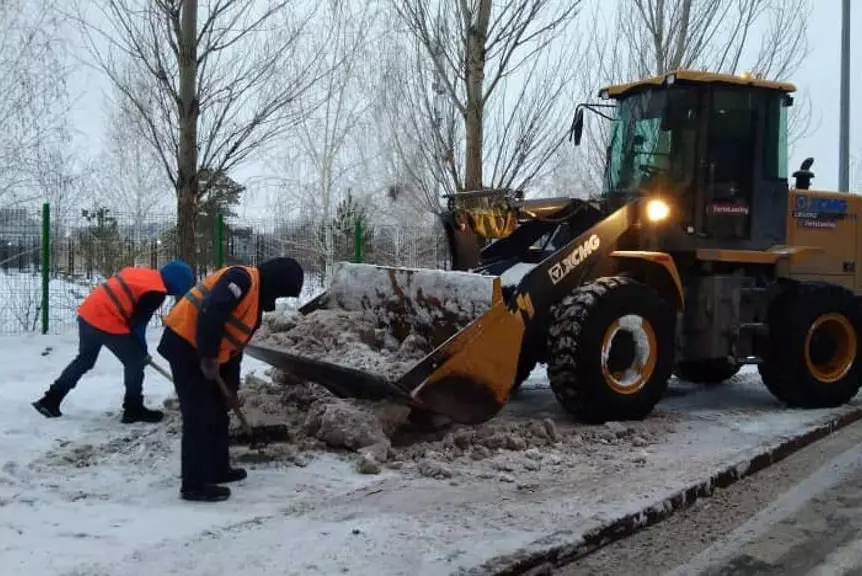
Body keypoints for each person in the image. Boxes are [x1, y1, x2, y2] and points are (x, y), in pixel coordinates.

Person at [157, 257, 304, 503]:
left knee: (218, 410)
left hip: (207, 351)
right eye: (279, 295)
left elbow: (234, 348)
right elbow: (209, 311)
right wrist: (208, 356)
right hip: (185, 345)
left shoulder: (254, 302)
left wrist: (231, 389)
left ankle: (217, 468)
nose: (275, 301)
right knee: (198, 414)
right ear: (275, 284)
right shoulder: (240, 279)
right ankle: (194, 484)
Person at [32, 260, 194, 423]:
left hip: (88, 314)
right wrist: (141, 352)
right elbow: (138, 325)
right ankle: (133, 409)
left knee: (84, 360)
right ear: (178, 284)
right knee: (135, 363)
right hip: (108, 320)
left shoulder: (140, 273)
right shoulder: (156, 292)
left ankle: (49, 401)